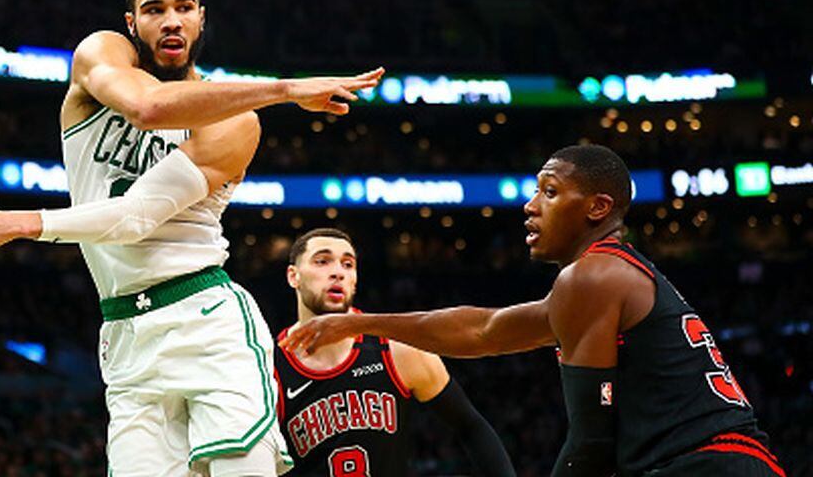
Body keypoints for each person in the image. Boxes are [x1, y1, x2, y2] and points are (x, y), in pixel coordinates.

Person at [0, 0, 382, 476]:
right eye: (154, 10)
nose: (171, 21)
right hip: (124, 333)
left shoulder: (235, 122)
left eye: (185, 9)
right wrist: (285, 89)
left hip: (207, 322)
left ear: (202, 20)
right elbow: (148, 107)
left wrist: (27, 222)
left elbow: (138, 216)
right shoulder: (99, 56)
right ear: (130, 23)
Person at [282, 145, 785, 477]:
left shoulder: (591, 276)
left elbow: (590, 442)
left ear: (596, 208)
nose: (529, 205)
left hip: (705, 465)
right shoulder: (598, 281)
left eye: (548, 191)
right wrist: (358, 321)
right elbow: (480, 330)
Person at [276, 228, 515, 477]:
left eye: (348, 264)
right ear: (294, 276)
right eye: (322, 261)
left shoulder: (396, 350)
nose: (338, 272)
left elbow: (471, 426)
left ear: (355, 280)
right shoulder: (267, 367)